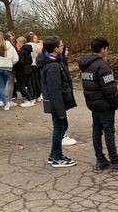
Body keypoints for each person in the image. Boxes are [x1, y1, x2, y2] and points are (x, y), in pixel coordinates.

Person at [79, 36, 118, 172]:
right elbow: (110, 89)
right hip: (104, 105)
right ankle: (114, 161)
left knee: (96, 131)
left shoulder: (86, 66)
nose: (107, 52)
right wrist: (115, 103)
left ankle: (100, 159)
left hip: (93, 104)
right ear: (102, 49)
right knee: (108, 132)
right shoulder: (102, 66)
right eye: (106, 49)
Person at [37, 36, 77, 168]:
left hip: (58, 104)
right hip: (57, 104)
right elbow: (55, 90)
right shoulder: (53, 66)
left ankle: (54, 155)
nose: (62, 47)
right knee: (59, 128)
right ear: (55, 48)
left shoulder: (54, 61)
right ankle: (57, 157)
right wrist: (60, 110)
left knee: (62, 126)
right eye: (60, 45)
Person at [0, 32, 18, 111]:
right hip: (8, 68)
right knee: (1, 87)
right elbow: (16, 58)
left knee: (0, 87)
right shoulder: (10, 46)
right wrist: (10, 63)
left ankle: (3, 104)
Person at [58, 42, 77, 146]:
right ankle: (62, 135)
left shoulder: (63, 62)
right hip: (63, 94)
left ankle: (63, 134)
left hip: (66, 92)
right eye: (66, 49)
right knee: (63, 116)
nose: (68, 52)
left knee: (66, 115)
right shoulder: (59, 63)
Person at [14, 36, 35, 107]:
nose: (16, 43)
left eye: (17, 42)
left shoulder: (21, 51)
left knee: (21, 87)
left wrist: (16, 68)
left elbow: (21, 62)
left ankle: (30, 100)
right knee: (29, 85)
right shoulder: (28, 50)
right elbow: (31, 60)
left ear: (20, 43)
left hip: (23, 71)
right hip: (29, 69)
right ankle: (31, 99)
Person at [27, 33, 42, 102]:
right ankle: (38, 95)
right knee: (37, 79)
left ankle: (34, 95)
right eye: (34, 38)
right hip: (37, 63)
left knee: (33, 80)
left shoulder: (29, 45)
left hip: (32, 63)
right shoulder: (39, 45)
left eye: (36, 38)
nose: (35, 39)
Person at [5, 31, 18, 107]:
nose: (12, 37)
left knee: (5, 83)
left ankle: (5, 100)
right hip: (11, 66)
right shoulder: (11, 46)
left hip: (2, 66)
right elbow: (15, 58)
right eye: (10, 36)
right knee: (10, 83)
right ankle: (8, 100)